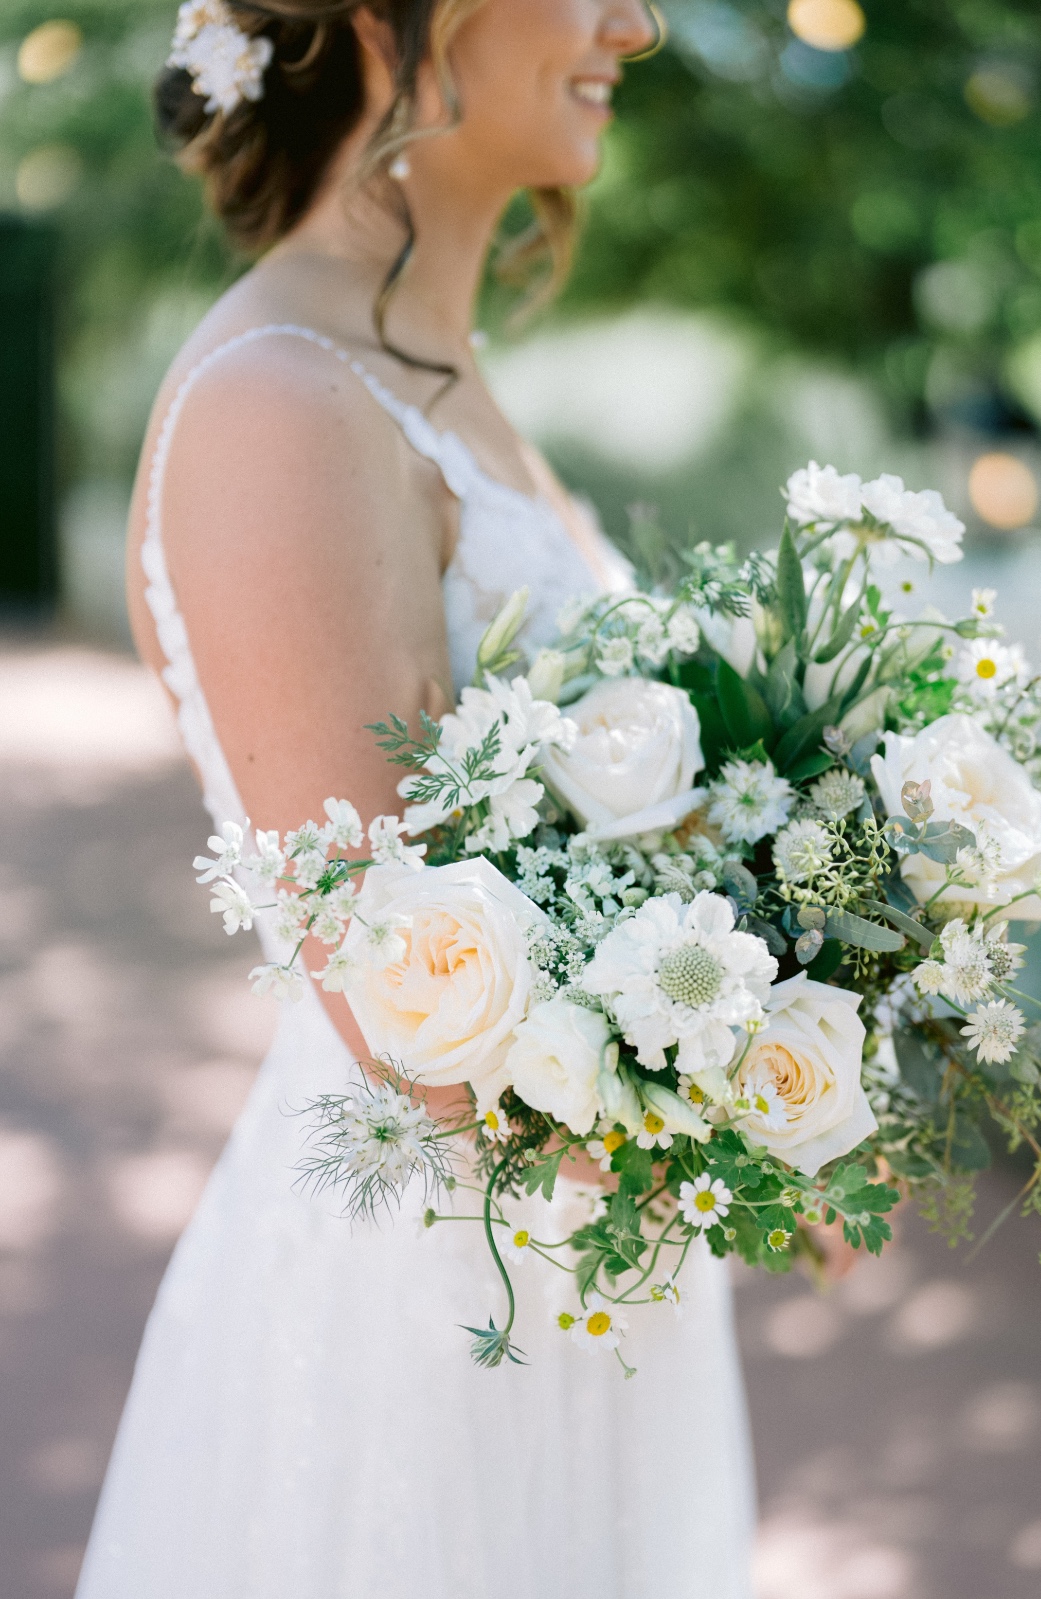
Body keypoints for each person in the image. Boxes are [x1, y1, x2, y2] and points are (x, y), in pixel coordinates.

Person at [75, 2, 755, 1594]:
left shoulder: (438, 365)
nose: (638, 25)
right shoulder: (281, 396)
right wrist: (773, 1109)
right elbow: (410, 1007)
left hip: (588, 1289)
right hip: (436, 1336)